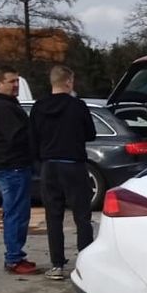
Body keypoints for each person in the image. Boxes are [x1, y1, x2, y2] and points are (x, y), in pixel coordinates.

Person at [30, 64, 96, 280]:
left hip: (50, 166)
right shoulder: (78, 106)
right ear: (68, 81)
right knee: (82, 216)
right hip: (74, 164)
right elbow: (91, 133)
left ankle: (57, 265)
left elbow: (33, 137)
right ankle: (85, 265)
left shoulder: (38, 107)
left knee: (53, 217)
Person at [0, 67, 37, 275]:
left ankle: (16, 256)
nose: (15, 85)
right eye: (11, 81)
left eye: (17, 81)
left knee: (14, 211)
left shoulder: (5, 105)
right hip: (12, 166)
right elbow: (17, 136)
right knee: (16, 213)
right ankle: (14, 259)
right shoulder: (3, 108)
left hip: (9, 165)